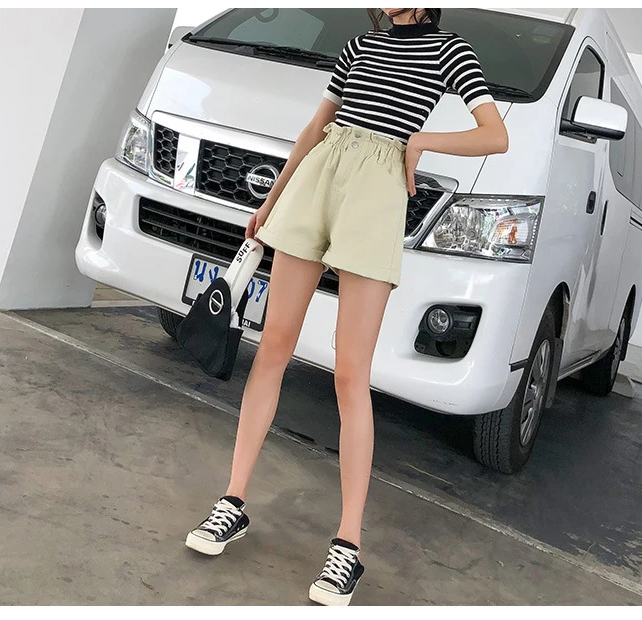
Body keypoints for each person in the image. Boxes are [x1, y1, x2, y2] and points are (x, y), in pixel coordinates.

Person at [184, 7, 508, 606]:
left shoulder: (449, 49)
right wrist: (272, 201)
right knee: (272, 348)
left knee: (350, 374)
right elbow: (317, 126)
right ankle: (232, 500)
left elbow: (495, 134)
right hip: (318, 179)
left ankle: (348, 545)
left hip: (377, 191)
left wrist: (421, 141)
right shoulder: (359, 44)